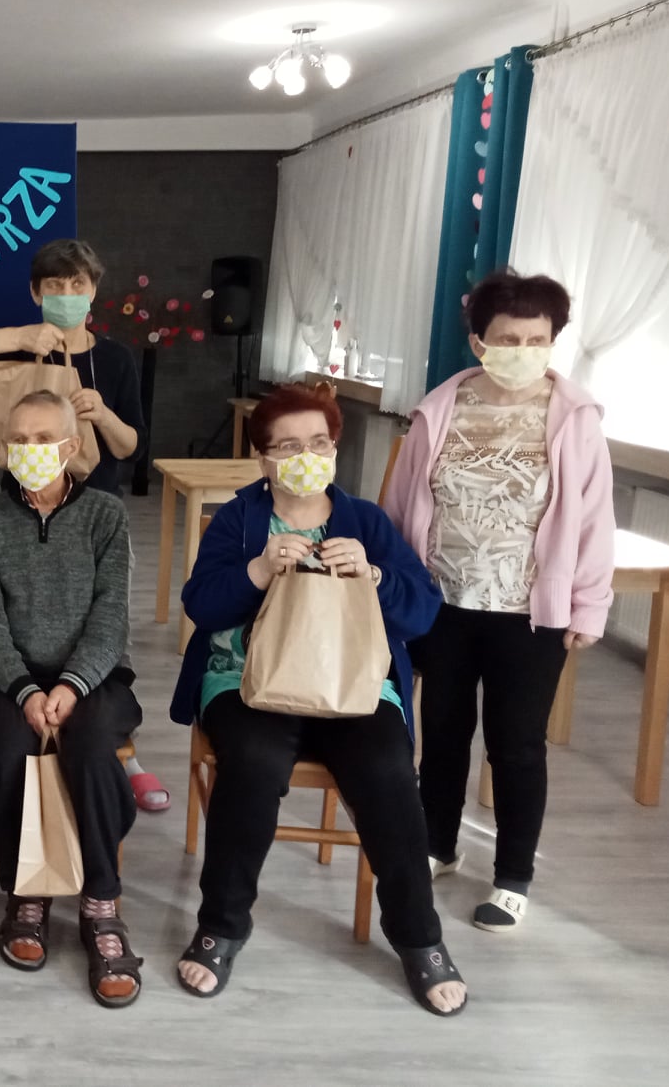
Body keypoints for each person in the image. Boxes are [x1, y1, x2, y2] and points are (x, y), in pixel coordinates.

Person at [171, 382, 468, 1016]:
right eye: (287, 446)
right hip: (248, 681)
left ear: (335, 448)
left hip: (351, 682)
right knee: (252, 765)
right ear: (262, 459)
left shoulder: (366, 521)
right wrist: (257, 570)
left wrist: (374, 574)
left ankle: (420, 936)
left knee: (387, 770)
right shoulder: (240, 519)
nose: (305, 455)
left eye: (318, 442)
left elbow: (421, 612)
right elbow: (201, 604)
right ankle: (222, 925)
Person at [384, 269, 614, 933]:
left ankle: (513, 875)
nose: (523, 350)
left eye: (537, 339)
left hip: (530, 613)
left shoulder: (575, 418)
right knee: (443, 733)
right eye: (508, 339)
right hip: (444, 602)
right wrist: (394, 591)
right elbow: (401, 507)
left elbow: (593, 519)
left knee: (516, 745)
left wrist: (589, 607)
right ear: (479, 342)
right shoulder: (440, 407)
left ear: (553, 341)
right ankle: (439, 844)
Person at [0, 237, 165, 811]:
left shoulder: (114, 360)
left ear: (94, 291)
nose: (67, 294)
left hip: (93, 514)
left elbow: (131, 448)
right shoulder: (22, 349)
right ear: (37, 293)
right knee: (21, 619)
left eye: (77, 284)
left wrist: (101, 413)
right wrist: (17, 337)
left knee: (100, 624)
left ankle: (120, 754)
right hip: (24, 510)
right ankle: (33, 715)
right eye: (55, 286)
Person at [0, 389, 144, 1008]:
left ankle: (101, 900)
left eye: (44, 439)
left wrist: (70, 685)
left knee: (90, 748)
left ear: (71, 446)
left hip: (92, 677)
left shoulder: (105, 515)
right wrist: (24, 689)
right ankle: (28, 887)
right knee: (13, 751)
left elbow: (111, 616)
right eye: (19, 440)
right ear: (3, 448)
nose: (30, 450)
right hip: (4, 679)